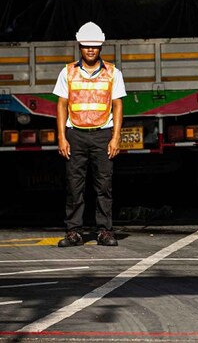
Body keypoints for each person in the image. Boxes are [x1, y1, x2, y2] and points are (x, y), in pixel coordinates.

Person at [54, 22, 127, 247]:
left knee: (103, 186)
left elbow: (117, 106)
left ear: (101, 47)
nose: (90, 50)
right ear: (80, 46)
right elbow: (61, 105)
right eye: (86, 46)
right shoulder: (67, 72)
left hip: (102, 135)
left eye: (94, 46)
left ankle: (104, 231)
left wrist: (115, 137)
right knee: (74, 186)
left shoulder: (113, 73)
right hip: (75, 134)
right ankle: (73, 232)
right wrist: (61, 137)